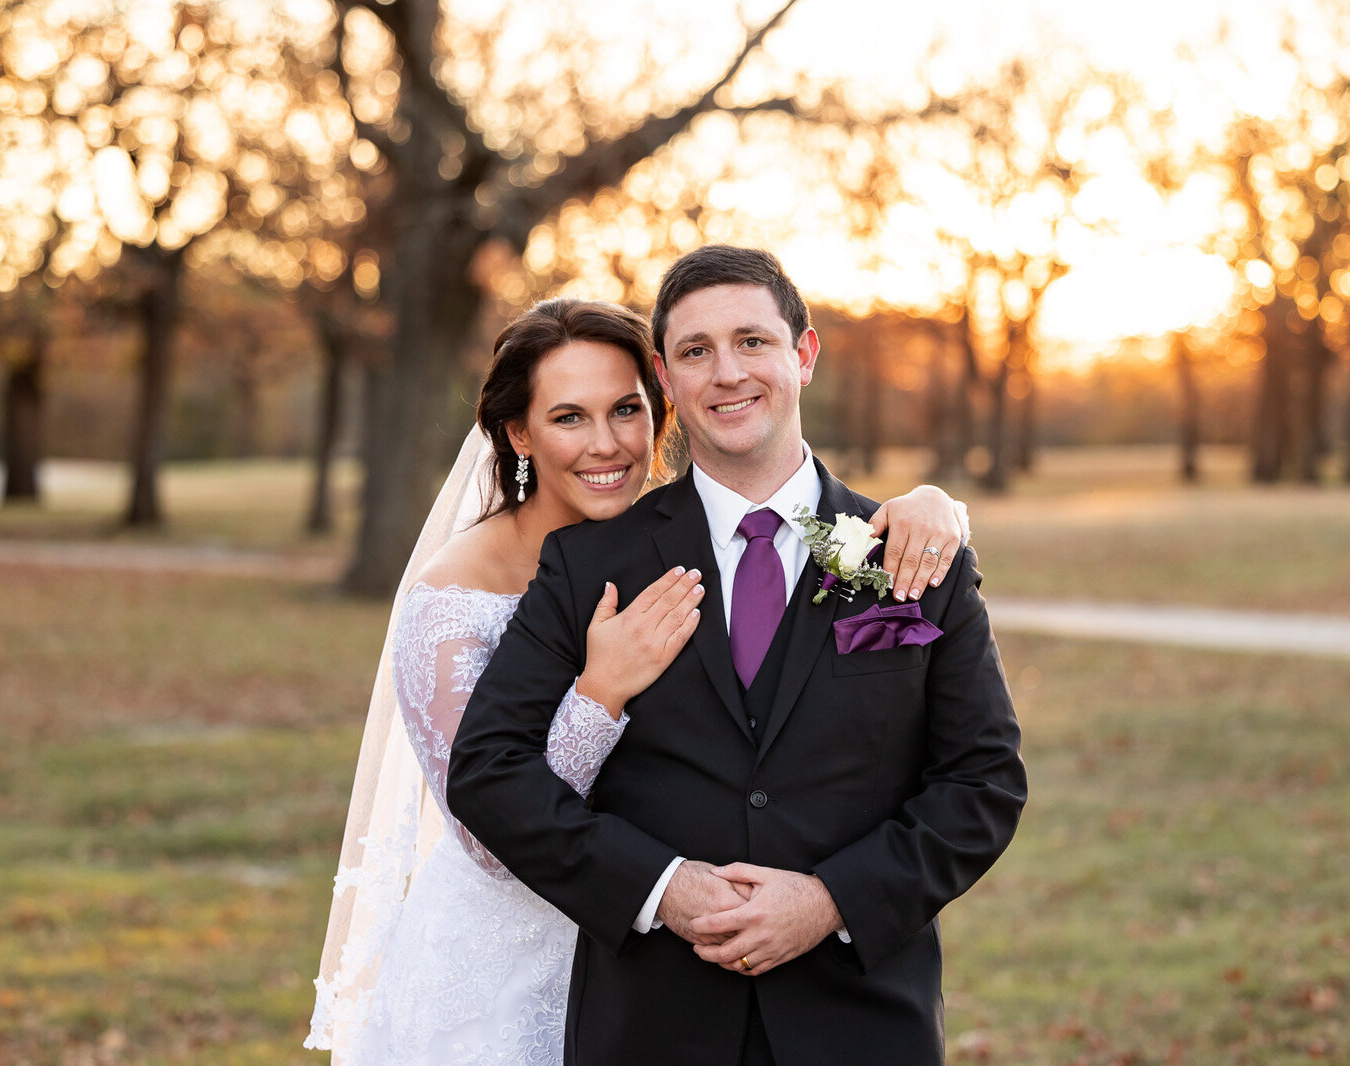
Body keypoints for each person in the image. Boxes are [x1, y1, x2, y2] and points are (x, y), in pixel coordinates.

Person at [306, 296, 971, 1064]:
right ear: (520, 433)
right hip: (510, 964)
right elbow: (488, 832)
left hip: (660, 982)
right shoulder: (456, 595)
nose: (607, 445)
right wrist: (601, 692)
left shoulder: (676, 541)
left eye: (625, 409)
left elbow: (800, 544)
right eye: (568, 418)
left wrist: (931, 507)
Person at [448, 248, 1026, 1065]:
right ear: (665, 377)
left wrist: (831, 901)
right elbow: (488, 771)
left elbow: (983, 781)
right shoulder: (587, 565)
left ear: (805, 354)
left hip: (862, 1023)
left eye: (753, 341)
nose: (727, 373)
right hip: (649, 1026)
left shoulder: (909, 556)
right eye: (695, 352)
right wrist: (661, 889)